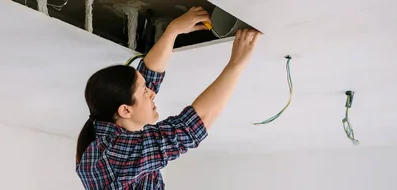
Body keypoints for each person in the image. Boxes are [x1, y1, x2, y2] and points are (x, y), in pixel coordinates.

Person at [75, 6, 261, 189]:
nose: (151, 93)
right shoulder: (112, 154)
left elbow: (149, 78)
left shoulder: (112, 140)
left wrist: (173, 30)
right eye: (144, 91)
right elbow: (189, 128)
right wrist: (237, 64)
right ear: (125, 110)